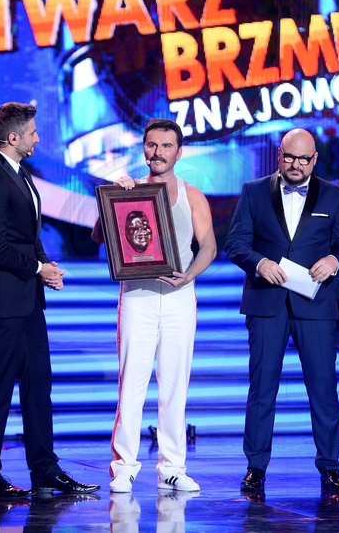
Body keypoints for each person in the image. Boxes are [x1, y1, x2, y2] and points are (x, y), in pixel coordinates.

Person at [0, 101, 100, 499]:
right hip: (1, 301)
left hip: (26, 300)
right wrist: (37, 268)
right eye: (33, 133)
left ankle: (45, 470)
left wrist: (46, 265)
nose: (38, 138)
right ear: (13, 137)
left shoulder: (20, 173)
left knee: (39, 384)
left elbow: (25, 235)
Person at [224, 128, 339, 495]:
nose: (296, 164)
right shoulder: (253, 191)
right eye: (289, 157)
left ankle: (330, 467)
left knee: (323, 388)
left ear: (315, 160)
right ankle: (255, 468)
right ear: (279, 155)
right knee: (262, 388)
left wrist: (334, 260)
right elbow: (235, 243)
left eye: (303, 159)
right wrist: (259, 263)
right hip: (266, 303)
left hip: (315, 304)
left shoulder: (334, 195)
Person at [92, 118, 217, 493]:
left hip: (180, 298)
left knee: (175, 385)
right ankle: (124, 467)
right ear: (143, 149)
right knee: (131, 383)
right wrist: (113, 200)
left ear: (179, 152)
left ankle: (172, 467)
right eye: (152, 145)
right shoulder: (129, 190)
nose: (158, 152)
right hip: (137, 297)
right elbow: (98, 236)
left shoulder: (192, 194)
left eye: (166, 146)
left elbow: (209, 246)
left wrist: (188, 275)